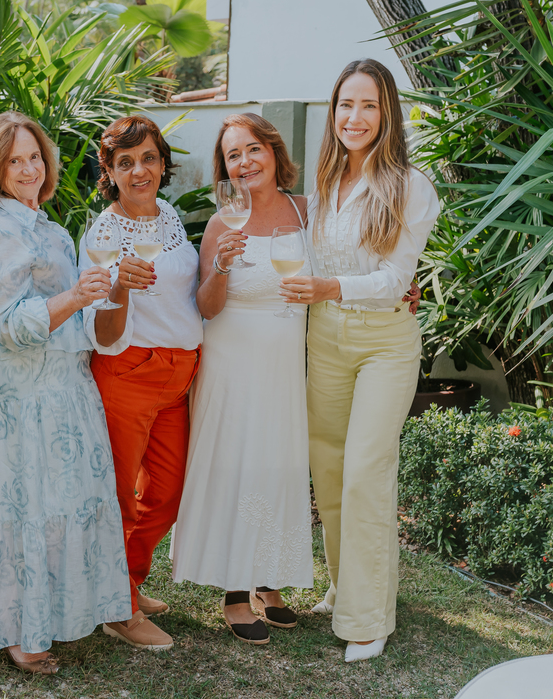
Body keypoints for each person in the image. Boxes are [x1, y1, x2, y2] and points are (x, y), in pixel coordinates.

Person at [280, 58, 441, 662]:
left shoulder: (410, 186)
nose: (355, 117)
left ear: (387, 112)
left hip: (384, 343)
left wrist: (329, 288)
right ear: (334, 111)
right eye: (346, 105)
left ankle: (367, 618)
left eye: (368, 105)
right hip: (325, 338)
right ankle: (346, 583)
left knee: (366, 471)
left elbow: (397, 278)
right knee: (328, 467)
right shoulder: (324, 184)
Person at [0, 111, 130, 674]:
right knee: (26, 510)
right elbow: (10, 323)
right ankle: (17, 628)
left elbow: (81, 323)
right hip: (21, 402)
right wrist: (79, 296)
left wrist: (108, 296)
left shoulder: (51, 230)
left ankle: (57, 613)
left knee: (60, 506)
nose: (29, 168)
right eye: (15, 160)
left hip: (65, 392)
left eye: (35, 157)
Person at [170, 113, 313, 645]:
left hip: (283, 365)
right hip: (231, 365)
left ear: (274, 153)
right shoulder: (220, 223)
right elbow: (206, 307)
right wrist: (222, 267)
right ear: (225, 169)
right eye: (233, 155)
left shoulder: (305, 211)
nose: (245, 161)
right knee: (237, 465)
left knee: (278, 464)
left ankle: (269, 580)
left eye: (253, 149)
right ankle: (233, 589)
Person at [79, 116, 202, 652]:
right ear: (109, 171)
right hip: (128, 372)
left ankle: (122, 579)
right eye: (125, 162)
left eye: (148, 158)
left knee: (168, 495)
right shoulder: (104, 233)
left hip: (179, 374)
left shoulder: (170, 217)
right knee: (120, 498)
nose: (139, 170)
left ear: (162, 163)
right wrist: (119, 289)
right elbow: (104, 335)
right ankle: (119, 608)